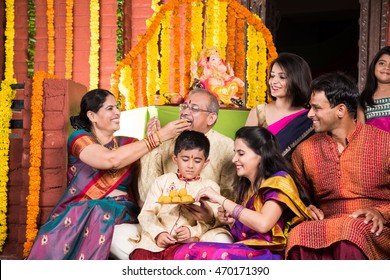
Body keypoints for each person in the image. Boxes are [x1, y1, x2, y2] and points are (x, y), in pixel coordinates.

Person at [26, 89, 189, 260]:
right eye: (110, 108)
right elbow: (110, 160)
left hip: (123, 210)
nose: (117, 112)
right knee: (97, 209)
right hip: (84, 208)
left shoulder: (129, 144)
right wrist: (158, 137)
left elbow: (141, 188)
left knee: (100, 210)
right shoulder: (79, 139)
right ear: (92, 115)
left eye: (117, 107)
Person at [110, 88, 237, 259]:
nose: (185, 112)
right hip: (163, 225)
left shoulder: (227, 147)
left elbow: (230, 202)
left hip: (204, 229)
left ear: (211, 118)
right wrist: (153, 143)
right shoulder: (168, 140)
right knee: (115, 235)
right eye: (184, 106)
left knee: (223, 242)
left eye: (194, 108)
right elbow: (147, 194)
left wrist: (208, 218)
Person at [286, 72, 390, 260]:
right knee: (298, 235)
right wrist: (306, 208)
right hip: (326, 223)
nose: (309, 114)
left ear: (340, 110)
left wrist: (381, 213)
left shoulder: (385, 143)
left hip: (377, 227)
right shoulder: (304, 151)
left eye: (316, 108)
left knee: (350, 234)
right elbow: (298, 197)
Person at [173, 126, 312, 260]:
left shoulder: (279, 181)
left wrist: (222, 200)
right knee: (185, 251)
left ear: (261, 155)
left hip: (266, 255)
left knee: (217, 257)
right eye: (235, 153)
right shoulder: (247, 188)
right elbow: (245, 233)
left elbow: (263, 224)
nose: (234, 159)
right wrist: (232, 221)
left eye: (241, 153)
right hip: (245, 250)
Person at [130, 130, 229, 259]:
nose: (190, 166)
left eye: (197, 160)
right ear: (175, 159)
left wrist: (193, 232)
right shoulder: (162, 181)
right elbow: (146, 213)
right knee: (140, 257)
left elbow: (214, 221)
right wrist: (158, 233)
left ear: (206, 163)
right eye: (185, 159)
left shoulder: (210, 188)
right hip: (154, 243)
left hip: (185, 244)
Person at [245, 52, 314, 161]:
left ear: (297, 80)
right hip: (262, 176)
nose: (273, 81)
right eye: (272, 76)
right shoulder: (259, 112)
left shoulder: (309, 118)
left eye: (282, 77)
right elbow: (244, 150)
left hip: (294, 176)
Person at [357, 46, 390, 132]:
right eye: (382, 63)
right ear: (374, 66)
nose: (386, 67)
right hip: (372, 145)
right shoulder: (364, 98)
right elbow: (361, 134)